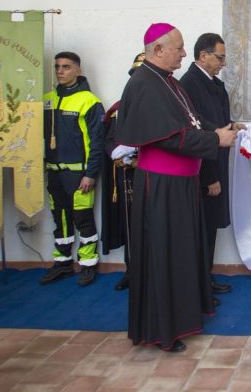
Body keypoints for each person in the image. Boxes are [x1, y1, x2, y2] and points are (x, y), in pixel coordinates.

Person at [116, 23, 238, 353]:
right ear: (157, 49)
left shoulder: (167, 82)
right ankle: (162, 330)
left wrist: (219, 130)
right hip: (162, 187)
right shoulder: (145, 84)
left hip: (180, 185)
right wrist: (216, 139)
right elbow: (170, 137)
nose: (184, 54)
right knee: (165, 255)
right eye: (179, 48)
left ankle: (182, 318)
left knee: (182, 254)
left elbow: (192, 122)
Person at [179, 33, 245, 297]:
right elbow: (198, 135)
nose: (223, 63)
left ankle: (204, 279)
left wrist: (231, 126)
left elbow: (213, 124)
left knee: (209, 229)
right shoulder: (190, 85)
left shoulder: (211, 84)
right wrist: (209, 177)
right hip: (205, 170)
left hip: (216, 164)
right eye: (220, 57)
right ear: (203, 55)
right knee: (200, 230)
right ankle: (198, 286)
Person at [41, 51, 105, 287]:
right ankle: (63, 262)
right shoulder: (47, 99)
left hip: (78, 175)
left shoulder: (89, 101)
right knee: (61, 220)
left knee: (83, 219)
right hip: (54, 173)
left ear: (79, 70)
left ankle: (88, 264)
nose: (60, 71)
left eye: (66, 67)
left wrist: (90, 174)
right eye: (57, 67)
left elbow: (96, 142)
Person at [100, 52, 144, 291]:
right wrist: (122, 155)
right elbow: (109, 142)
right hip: (128, 176)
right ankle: (132, 270)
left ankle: (155, 271)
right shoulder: (119, 110)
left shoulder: (163, 108)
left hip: (155, 175)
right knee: (131, 225)